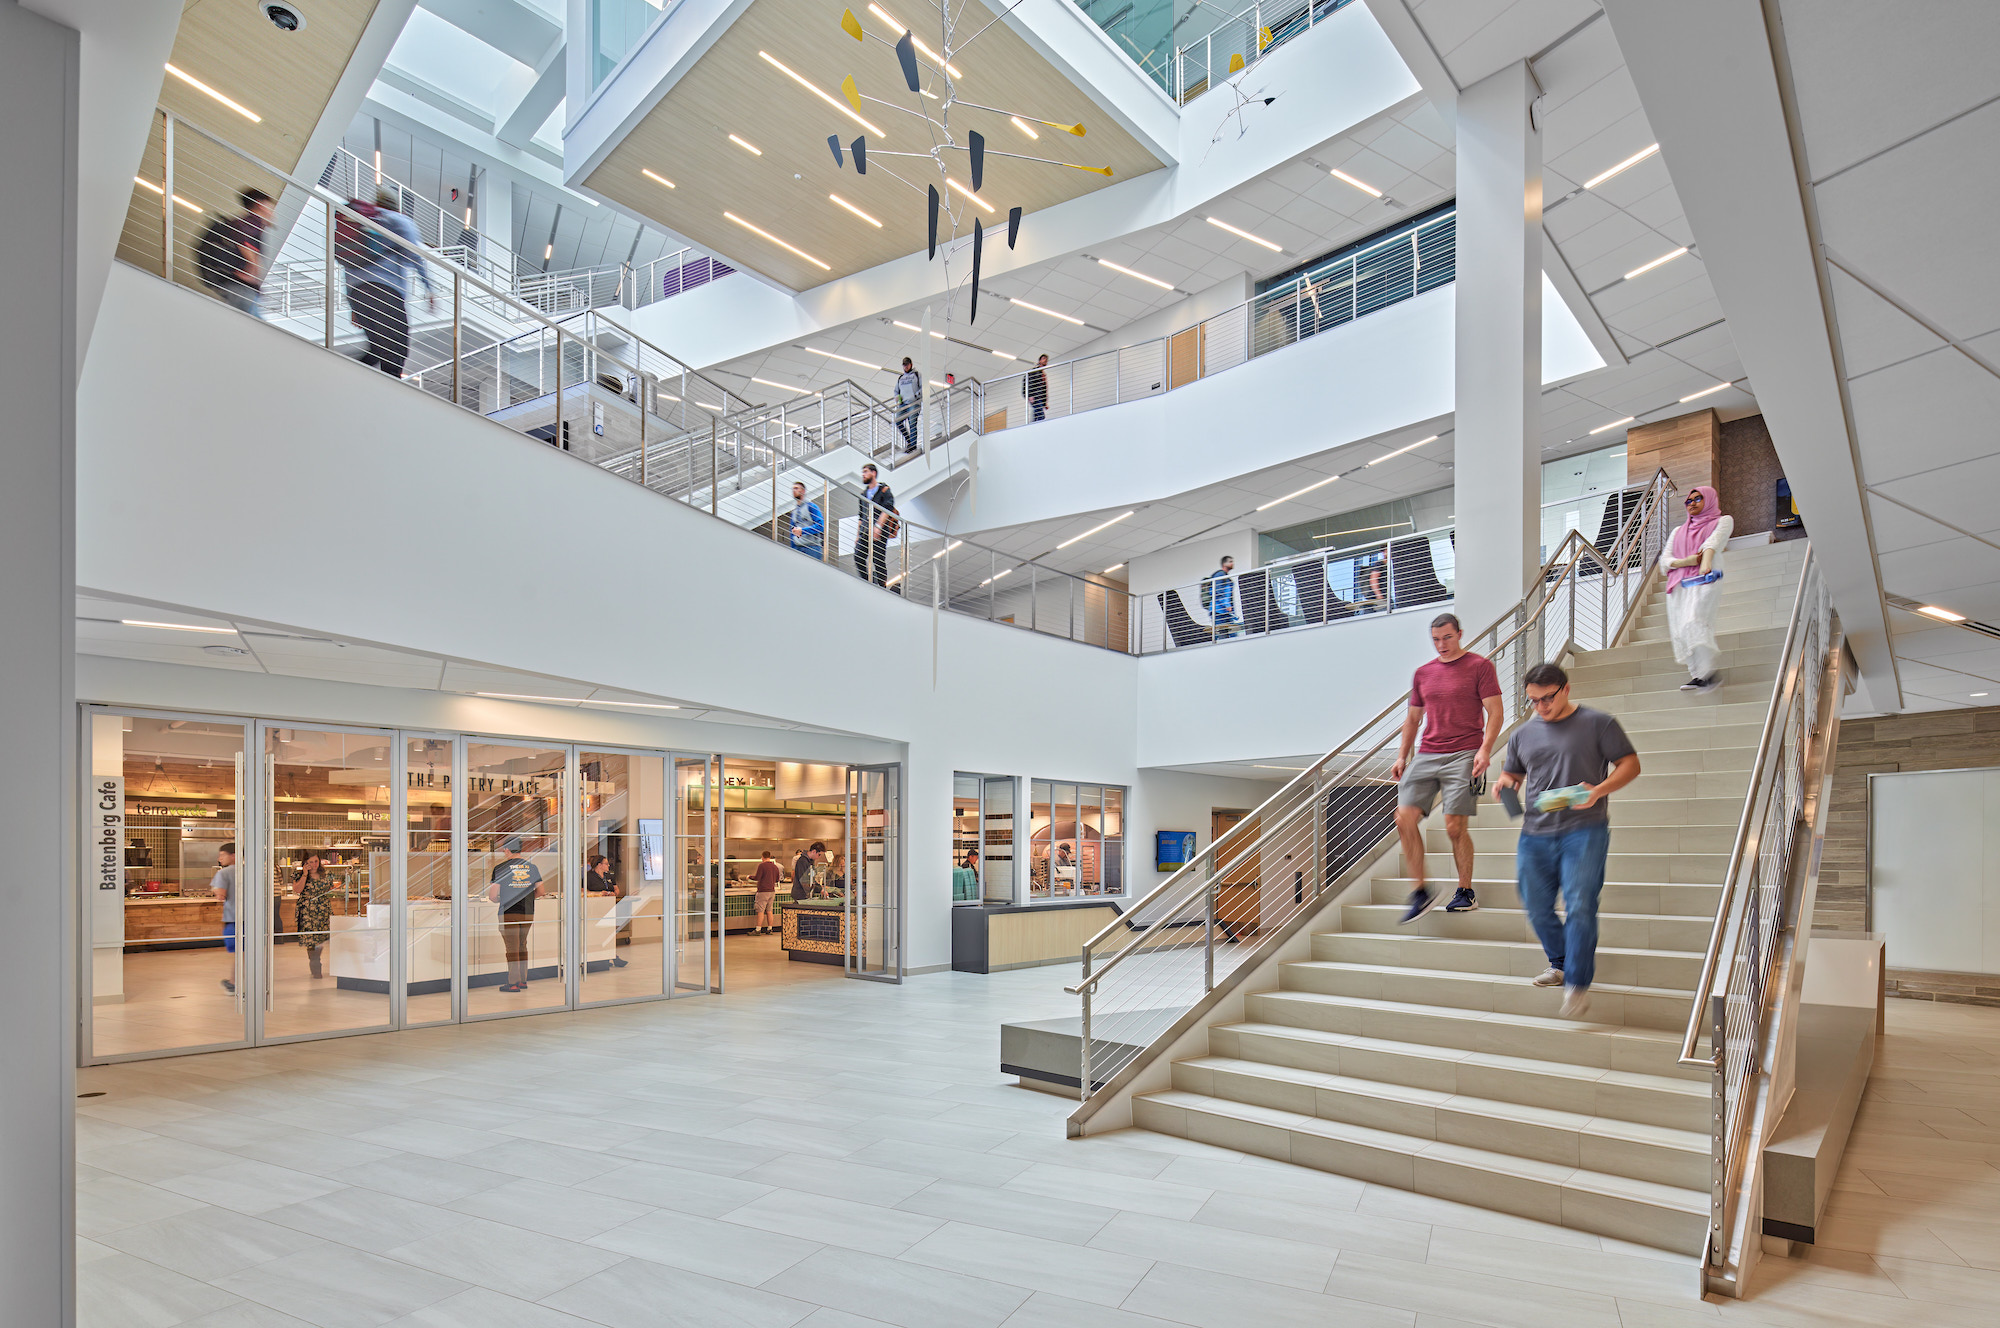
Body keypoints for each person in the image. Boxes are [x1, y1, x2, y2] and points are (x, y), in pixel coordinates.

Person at [1494, 662, 1642, 1019]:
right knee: (1534, 902)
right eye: (1533, 701)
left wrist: (1601, 790)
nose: (1541, 707)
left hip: (1584, 829)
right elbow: (1513, 772)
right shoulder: (1523, 734)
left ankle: (1577, 981)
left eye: (1548, 698)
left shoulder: (1598, 723)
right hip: (1535, 832)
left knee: (1579, 903)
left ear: (1566, 689)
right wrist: (1505, 784)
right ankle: (1559, 963)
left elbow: (1631, 764)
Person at [1391, 613, 1504, 921]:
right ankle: (1421, 891)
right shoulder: (1423, 673)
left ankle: (1465, 891)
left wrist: (1485, 749)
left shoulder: (1480, 666)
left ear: (1460, 634)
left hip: (1465, 753)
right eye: (1436, 639)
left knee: (1455, 827)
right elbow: (1413, 719)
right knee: (1403, 819)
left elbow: (1495, 713)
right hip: (1427, 753)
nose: (1442, 644)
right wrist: (1402, 756)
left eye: (1447, 637)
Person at [341, 189, 436, 378]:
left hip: (357, 293)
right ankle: (390, 392)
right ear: (396, 206)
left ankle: (347, 376)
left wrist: (354, 305)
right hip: (385, 290)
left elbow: (350, 265)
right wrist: (429, 288)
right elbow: (415, 255)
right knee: (398, 344)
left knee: (377, 347)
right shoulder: (399, 221)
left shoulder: (364, 223)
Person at [1662, 485, 1734, 692]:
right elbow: (1664, 561)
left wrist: (1704, 561)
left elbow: (1712, 543)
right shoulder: (1678, 532)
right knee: (1680, 630)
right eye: (1688, 501)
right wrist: (1688, 561)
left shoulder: (1723, 521)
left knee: (1694, 621)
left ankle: (1709, 673)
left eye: (1698, 499)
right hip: (1678, 585)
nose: (1692, 503)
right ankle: (1698, 676)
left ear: (1709, 500)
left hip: (1706, 578)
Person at [194, 188, 275, 317]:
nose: (272, 209)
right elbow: (242, 239)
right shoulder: (250, 223)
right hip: (240, 285)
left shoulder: (248, 223)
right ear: (261, 204)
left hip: (237, 284)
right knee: (252, 327)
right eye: (270, 205)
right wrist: (253, 265)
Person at [487, 837, 543, 991]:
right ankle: (523, 980)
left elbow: (492, 896)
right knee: (522, 945)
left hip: (509, 912)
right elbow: (541, 891)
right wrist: (526, 898)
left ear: (507, 850)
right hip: (528, 912)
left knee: (512, 948)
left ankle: (512, 983)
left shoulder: (501, 868)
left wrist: (504, 899)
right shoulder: (532, 867)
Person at [291, 850, 336, 980]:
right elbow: (298, 889)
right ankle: (316, 965)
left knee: (321, 939)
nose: (314, 864)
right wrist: (305, 874)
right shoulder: (299, 874)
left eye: (316, 861)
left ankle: (316, 960)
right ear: (305, 863)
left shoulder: (326, 874)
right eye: (311, 862)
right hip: (307, 911)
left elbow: (330, 888)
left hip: (323, 909)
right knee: (311, 939)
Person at [854, 463, 898, 588]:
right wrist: (857, 535)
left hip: (879, 532)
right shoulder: (863, 495)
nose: (863, 474)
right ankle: (866, 582)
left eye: (866, 471)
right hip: (865, 531)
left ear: (873, 473)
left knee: (878, 559)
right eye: (863, 472)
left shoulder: (884, 490)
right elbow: (861, 515)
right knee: (858, 556)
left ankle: (882, 586)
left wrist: (878, 527)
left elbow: (887, 508)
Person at [584, 853, 629, 968]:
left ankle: (611, 956)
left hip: (609, 908)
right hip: (595, 908)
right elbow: (583, 891)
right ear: (599, 865)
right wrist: (599, 894)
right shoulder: (589, 876)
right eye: (606, 863)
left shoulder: (609, 875)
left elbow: (616, 888)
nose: (608, 865)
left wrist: (614, 893)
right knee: (598, 934)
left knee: (608, 933)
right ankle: (609, 957)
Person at [211, 842, 238, 993]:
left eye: (222, 855)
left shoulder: (223, 873)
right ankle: (235, 982)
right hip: (251, 918)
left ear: (233, 855)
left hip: (233, 917)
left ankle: (234, 983)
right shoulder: (250, 870)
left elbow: (220, 895)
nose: (219, 858)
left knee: (237, 952)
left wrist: (216, 890)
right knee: (245, 952)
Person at [1202, 556, 1240, 638]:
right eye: (1230, 561)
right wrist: (1226, 605)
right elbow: (1217, 591)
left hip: (1225, 612)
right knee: (1223, 634)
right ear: (1224, 564)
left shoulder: (1226, 577)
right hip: (1219, 611)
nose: (1232, 563)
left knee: (1232, 634)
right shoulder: (1220, 575)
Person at [789, 481, 825, 560]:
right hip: (797, 548)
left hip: (812, 548)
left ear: (803, 491)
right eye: (793, 489)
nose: (794, 491)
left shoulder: (811, 506)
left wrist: (802, 531)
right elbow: (792, 532)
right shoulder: (794, 511)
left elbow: (820, 526)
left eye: (796, 488)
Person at [894, 357, 922, 452]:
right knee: (897, 421)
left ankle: (913, 445)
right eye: (904, 365)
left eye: (907, 364)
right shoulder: (901, 378)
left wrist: (916, 395)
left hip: (913, 403)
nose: (905, 367)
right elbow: (896, 391)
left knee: (912, 423)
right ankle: (909, 440)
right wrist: (898, 398)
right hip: (903, 404)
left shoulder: (917, 375)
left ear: (911, 364)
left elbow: (923, 387)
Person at [752, 850, 782, 935]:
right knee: (769, 910)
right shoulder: (775, 867)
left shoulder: (762, 866)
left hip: (763, 891)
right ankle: (770, 929)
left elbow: (757, 877)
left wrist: (749, 877)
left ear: (763, 857)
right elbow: (777, 879)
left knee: (760, 910)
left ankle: (758, 930)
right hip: (772, 891)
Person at [1025, 354, 1049, 422]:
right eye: (1044, 358)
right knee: (1041, 416)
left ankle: (1033, 426)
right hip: (1035, 396)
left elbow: (1044, 389)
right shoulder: (1035, 371)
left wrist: (1045, 403)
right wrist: (1030, 395)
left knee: (1037, 413)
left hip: (1040, 397)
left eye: (1046, 359)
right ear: (1039, 360)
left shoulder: (1043, 374)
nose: (1045, 360)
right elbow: (1031, 383)